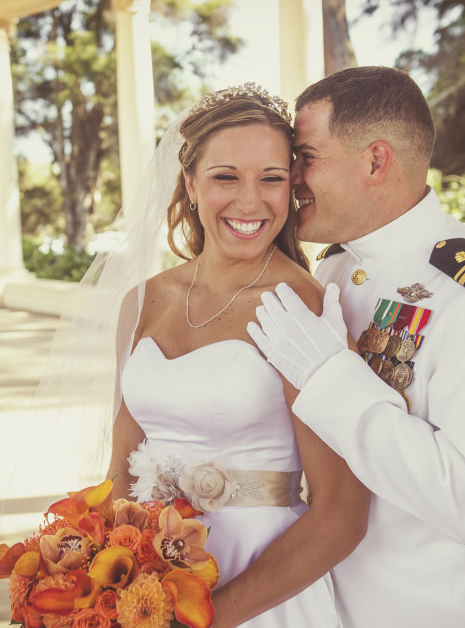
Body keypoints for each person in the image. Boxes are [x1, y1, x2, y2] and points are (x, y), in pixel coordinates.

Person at [247, 66, 465, 627]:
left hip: (439, 606)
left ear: (376, 161)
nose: (290, 176)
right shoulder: (333, 270)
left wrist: (330, 378)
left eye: (306, 156)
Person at [103, 83, 370, 628]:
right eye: (226, 177)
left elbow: (342, 516)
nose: (250, 202)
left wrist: (203, 620)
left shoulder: (303, 308)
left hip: (262, 592)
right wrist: (105, 591)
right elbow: (119, 473)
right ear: (190, 184)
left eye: (271, 179)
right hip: (151, 586)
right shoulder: (144, 302)